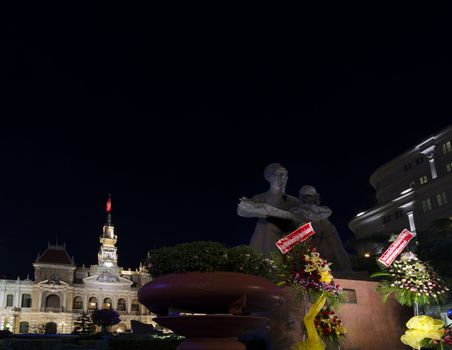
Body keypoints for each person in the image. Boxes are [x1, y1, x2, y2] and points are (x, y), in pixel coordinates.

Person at [237, 163, 299, 257]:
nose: (282, 177)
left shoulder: (293, 201)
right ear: (269, 177)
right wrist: (259, 209)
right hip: (262, 241)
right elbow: (241, 210)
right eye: (278, 174)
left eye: (284, 174)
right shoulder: (260, 198)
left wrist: (267, 210)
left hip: (283, 242)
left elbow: (299, 220)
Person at [290, 185, 352, 272]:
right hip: (311, 234)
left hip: (328, 233)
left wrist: (312, 213)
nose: (308, 199)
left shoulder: (321, 209)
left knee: (337, 251)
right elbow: (294, 216)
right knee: (314, 254)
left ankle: (346, 270)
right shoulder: (297, 210)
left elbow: (327, 211)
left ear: (315, 197)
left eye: (310, 196)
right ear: (301, 197)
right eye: (305, 196)